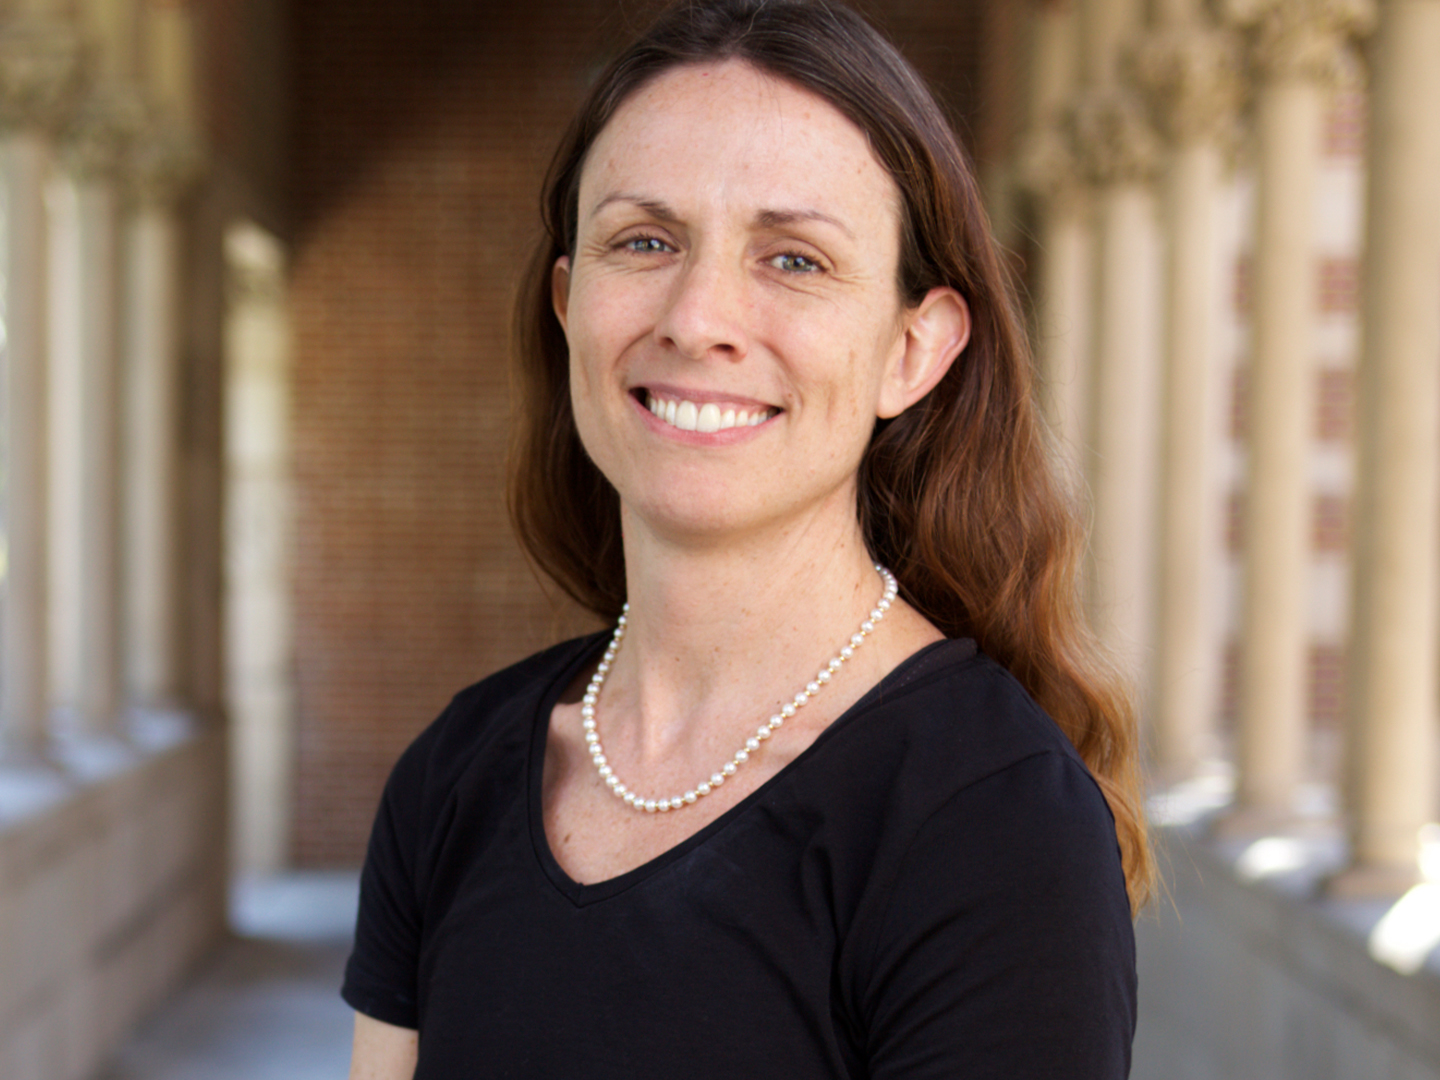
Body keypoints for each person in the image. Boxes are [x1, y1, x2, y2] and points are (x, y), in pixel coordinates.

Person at [343, 1, 1153, 1076]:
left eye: (794, 260)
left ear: (914, 351)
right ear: (568, 301)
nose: (697, 316)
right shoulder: (454, 774)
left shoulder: (994, 826)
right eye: (645, 241)